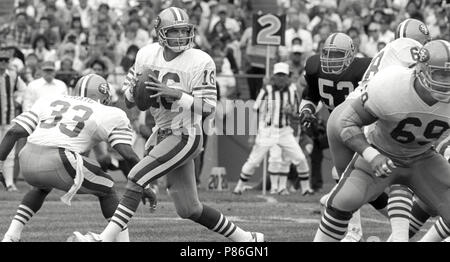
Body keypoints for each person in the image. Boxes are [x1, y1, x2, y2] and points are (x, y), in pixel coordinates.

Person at [70, 7, 263, 242]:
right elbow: (131, 102)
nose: (181, 37)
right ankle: (247, 239)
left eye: (184, 31)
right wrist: (134, 91)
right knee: (189, 209)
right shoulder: (146, 55)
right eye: (175, 32)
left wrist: (177, 94)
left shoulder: (201, 60)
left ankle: (104, 239)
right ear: (160, 33)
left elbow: (210, 107)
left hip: (186, 133)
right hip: (161, 132)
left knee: (136, 175)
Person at [313, 39, 450, 242]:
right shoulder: (392, 85)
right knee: (343, 200)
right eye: (441, 73)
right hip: (383, 153)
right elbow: (347, 123)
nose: (446, 81)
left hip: (423, 158)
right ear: (421, 69)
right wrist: (371, 155)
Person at [1, 74, 154, 242]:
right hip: (59, 157)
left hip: (28, 156)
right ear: (104, 95)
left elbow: (13, 132)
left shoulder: (49, 100)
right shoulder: (109, 112)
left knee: (41, 187)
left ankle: (11, 236)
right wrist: (144, 184)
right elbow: (129, 155)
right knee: (108, 188)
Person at [233, 62, 312, 196]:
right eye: (278, 75)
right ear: (273, 76)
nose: (281, 78)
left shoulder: (292, 90)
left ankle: (306, 189)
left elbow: (297, 113)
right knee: (254, 160)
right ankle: (239, 187)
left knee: (300, 158)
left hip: (285, 130)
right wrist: (252, 134)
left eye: (283, 75)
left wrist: (291, 113)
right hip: (268, 130)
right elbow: (256, 111)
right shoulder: (266, 90)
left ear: (288, 77)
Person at [0, 49, 27, 192]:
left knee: (9, 153)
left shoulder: (12, 75)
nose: (3, 63)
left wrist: (17, 100)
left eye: (6, 60)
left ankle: (9, 183)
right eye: (1, 60)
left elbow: (24, 89)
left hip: (8, 117)